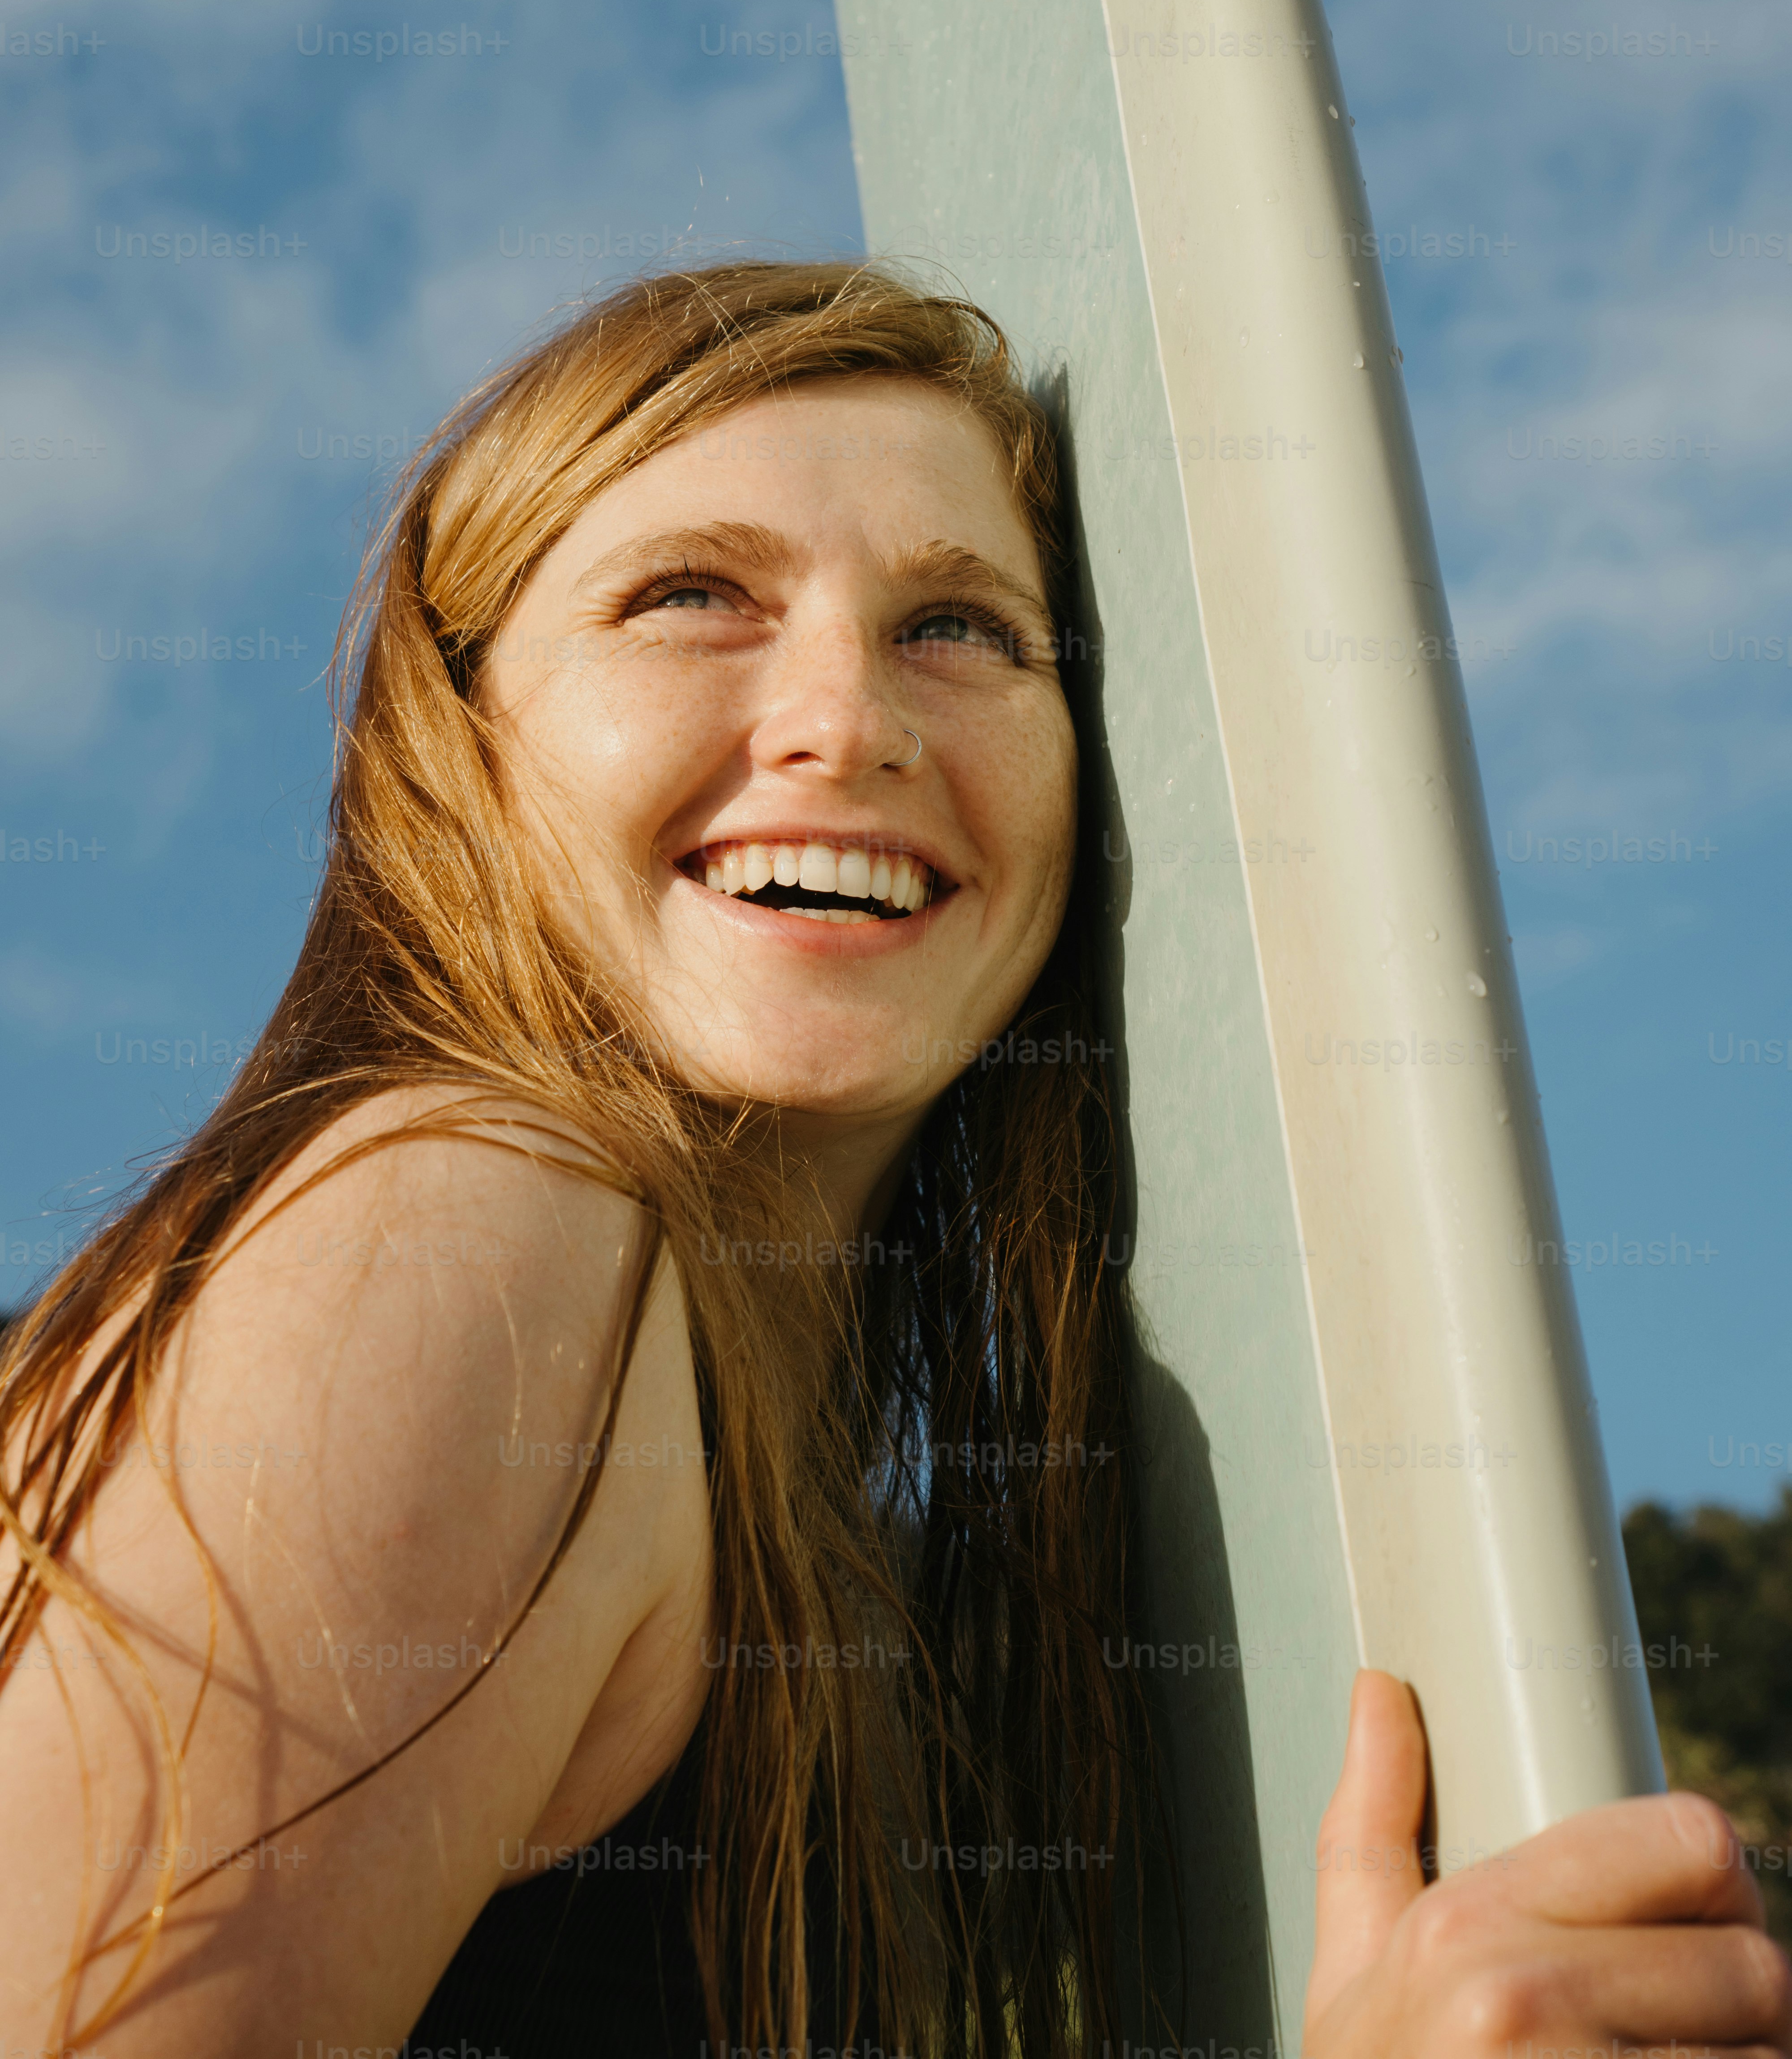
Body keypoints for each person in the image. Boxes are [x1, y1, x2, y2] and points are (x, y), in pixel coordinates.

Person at [0, 263, 1783, 2059]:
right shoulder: (471, 1228)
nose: (848, 718)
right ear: (455, 742)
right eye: (689, 596)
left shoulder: (788, 1500)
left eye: (963, 631)